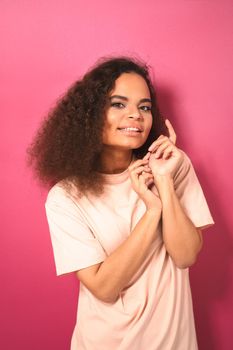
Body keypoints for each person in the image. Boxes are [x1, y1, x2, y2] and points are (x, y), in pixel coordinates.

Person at [27, 56, 214, 350]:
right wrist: (153, 211)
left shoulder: (172, 165)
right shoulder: (66, 197)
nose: (136, 115)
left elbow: (186, 256)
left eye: (144, 107)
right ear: (90, 114)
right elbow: (104, 287)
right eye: (118, 104)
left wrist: (164, 182)